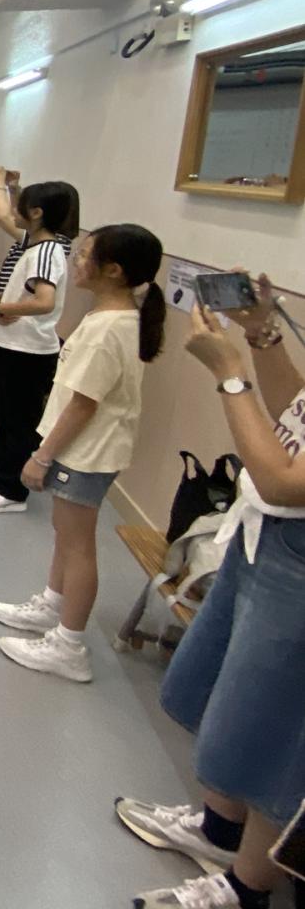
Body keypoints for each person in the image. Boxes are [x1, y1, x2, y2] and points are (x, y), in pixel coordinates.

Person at [113, 270, 305, 909]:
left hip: (295, 556)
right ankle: (219, 830)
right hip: (264, 538)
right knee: (233, 698)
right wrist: (263, 335)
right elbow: (295, 412)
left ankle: (245, 889)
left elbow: (283, 479)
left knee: (277, 728)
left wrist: (230, 373)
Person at [0, 224, 162, 683]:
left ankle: (69, 646)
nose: (76, 262)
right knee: (65, 533)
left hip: (87, 451)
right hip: (85, 448)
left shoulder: (109, 328)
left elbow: (84, 403)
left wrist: (41, 456)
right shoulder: (113, 317)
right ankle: (53, 604)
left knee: (78, 544)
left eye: (85, 255)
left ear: (113, 270)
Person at [0, 169, 80, 513]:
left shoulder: (47, 251)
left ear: (37, 213)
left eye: (20, 205)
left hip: (28, 350)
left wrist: (6, 308)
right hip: (10, 343)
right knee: (5, 415)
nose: (14, 210)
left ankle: (11, 490)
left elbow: (44, 301)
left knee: (19, 422)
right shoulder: (36, 244)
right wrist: (11, 187)